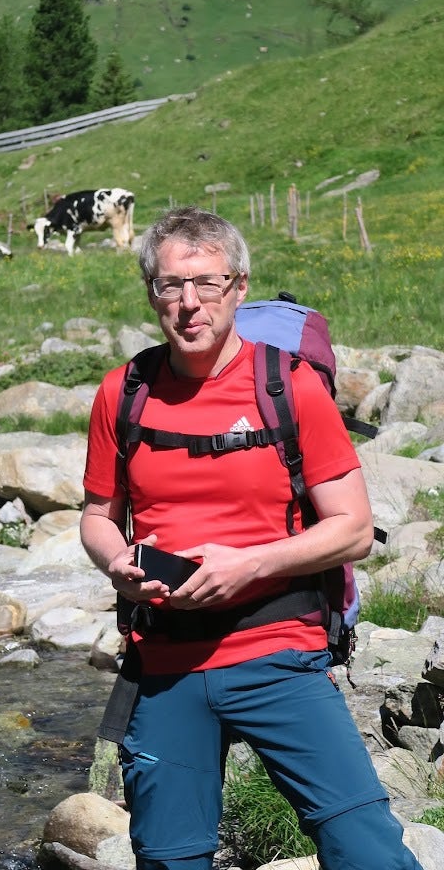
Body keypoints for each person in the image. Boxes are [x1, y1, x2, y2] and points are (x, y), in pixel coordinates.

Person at [80, 205, 422, 870]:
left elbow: (352, 529)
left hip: (279, 653)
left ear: (238, 286)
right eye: (169, 286)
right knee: (168, 860)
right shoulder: (122, 393)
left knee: (366, 849)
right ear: (150, 293)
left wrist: (249, 565)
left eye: (207, 283)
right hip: (166, 665)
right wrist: (117, 560)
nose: (188, 303)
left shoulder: (287, 385)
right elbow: (97, 515)